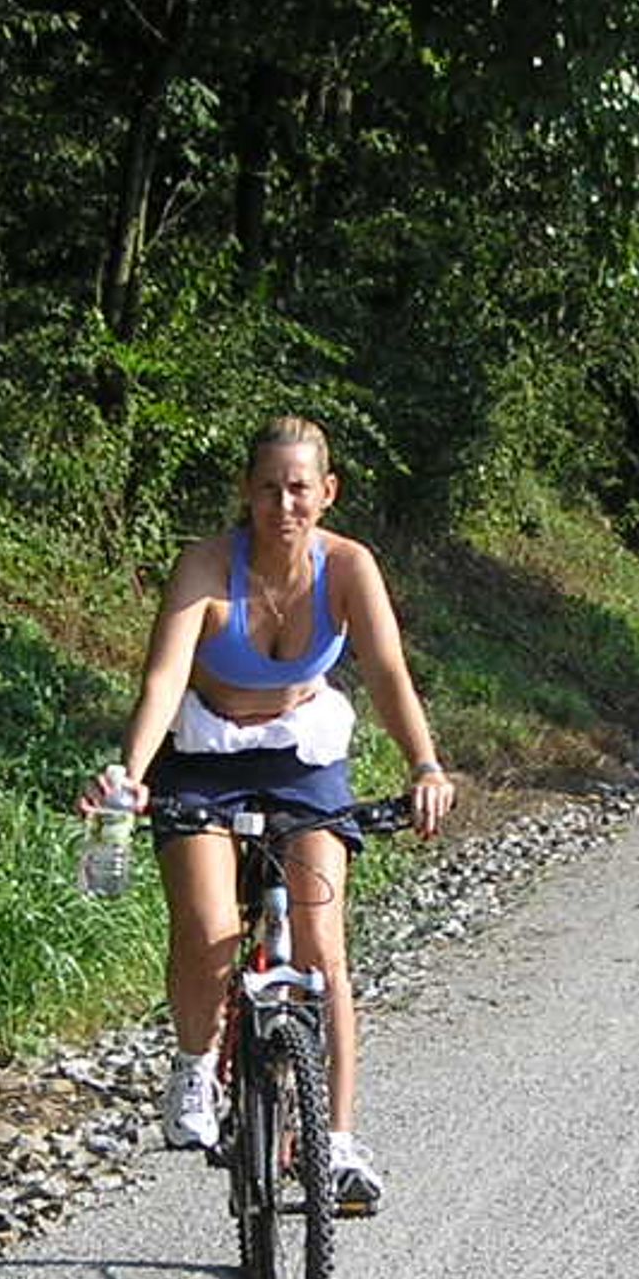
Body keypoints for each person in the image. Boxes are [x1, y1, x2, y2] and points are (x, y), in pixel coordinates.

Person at [87, 417, 454, 1214]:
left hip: (303, 758)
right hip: (205, 755)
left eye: (299, 488)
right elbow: (162, 681)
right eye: (267, 487)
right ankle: (193, 1067)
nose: (283, 503)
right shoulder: (206, 567)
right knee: (211, 928)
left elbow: (389, 674)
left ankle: (340, 1142)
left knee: (323, 951)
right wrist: (132, 776)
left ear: (327, 494)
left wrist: (425, 765)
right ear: (245, 493)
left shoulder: (350, 567)